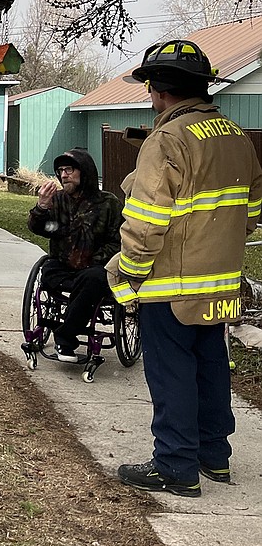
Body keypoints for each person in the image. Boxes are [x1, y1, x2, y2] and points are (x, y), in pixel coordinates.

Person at [107, 40, 262, 497]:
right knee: (211, 366)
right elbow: (251, 208)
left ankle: (175, 465)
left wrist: (129, 275)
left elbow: (146, 222)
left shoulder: (168, 140)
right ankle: (214, 457)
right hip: (219, 284)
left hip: (170, 286)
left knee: (171, 372)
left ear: (159, 90)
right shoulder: (235, 136)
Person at [27, 147, 123, 361]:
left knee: (93, 280)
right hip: (62, 266)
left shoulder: (109, 203)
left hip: (93, 269)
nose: (63, 175)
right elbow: (39, 228)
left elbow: (118, 241)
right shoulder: (57, 200)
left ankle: (65, 336)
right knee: (48, 271)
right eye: (60, 170)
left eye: (69, 169)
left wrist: (92, 261)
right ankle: (66, 332)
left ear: (85, 171)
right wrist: (41, 207)